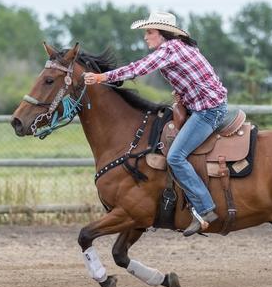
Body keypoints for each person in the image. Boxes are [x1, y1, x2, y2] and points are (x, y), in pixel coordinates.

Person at [83, 12, 228, 236]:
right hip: (204, 106)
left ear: (162, 34)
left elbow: (138, 69)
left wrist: (101, 78)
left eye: (150, 32)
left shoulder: (169, 50)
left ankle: (205, 208)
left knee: (175, 157)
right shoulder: (179, 48)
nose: (146, 37)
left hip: (208, 111)